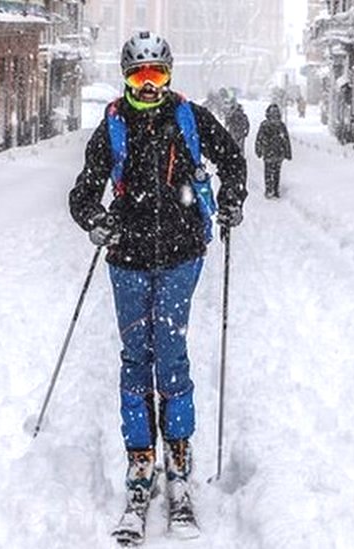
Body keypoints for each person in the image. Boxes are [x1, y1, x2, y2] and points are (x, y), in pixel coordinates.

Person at [68, 31, 247, 543]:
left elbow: (233, 161)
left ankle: (180, 460)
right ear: (126, 77)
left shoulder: (188, 118)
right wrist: (94, 219)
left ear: (169, 75)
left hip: (180, 255)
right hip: (125, 256)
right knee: (134, 357)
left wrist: (233, 198)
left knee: (170, 354)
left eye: (157, 76)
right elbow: (83, 191)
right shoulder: (112, 127)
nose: (148, 86)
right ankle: (140, 460)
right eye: (139, 77)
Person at [255, 103, 293, 199]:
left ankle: (268, 190)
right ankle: (275, 190)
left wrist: (258, 150)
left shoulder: (264, 124)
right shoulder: (281, 125)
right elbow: (286, 139)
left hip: (268, 153)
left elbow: (259, 138)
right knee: (277, 172)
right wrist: (288, 153)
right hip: (279, 153)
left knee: (268, 172)